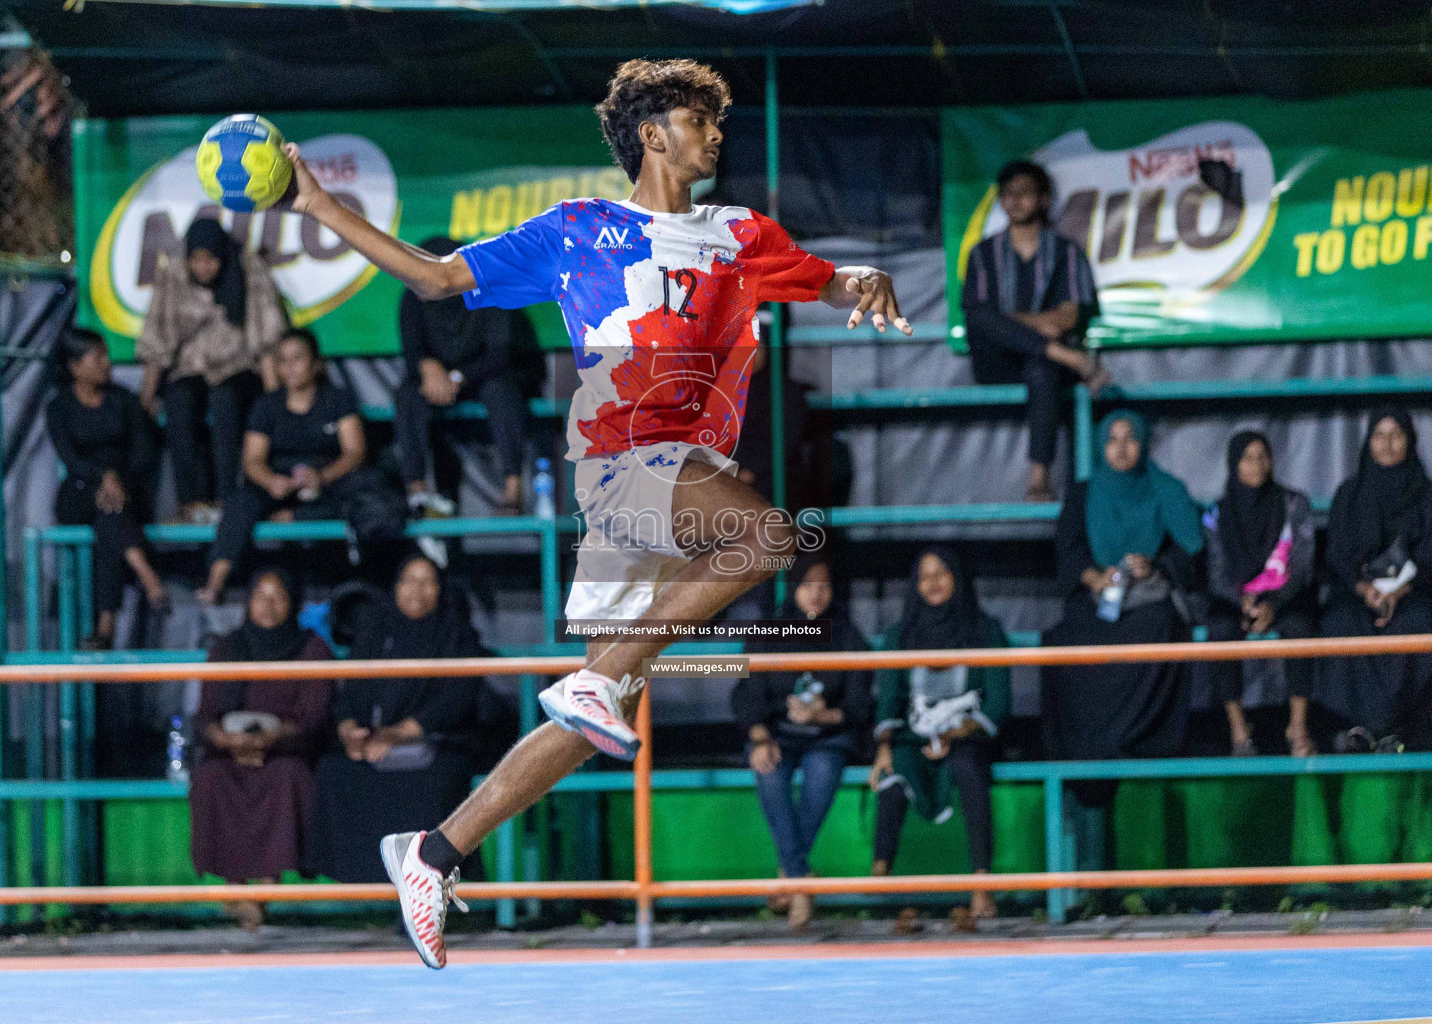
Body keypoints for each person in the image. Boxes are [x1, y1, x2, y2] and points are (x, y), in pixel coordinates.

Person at [277, 57, 913, 967]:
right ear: (655, 135)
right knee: (770, 535)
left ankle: (431, 852)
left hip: (684, 476)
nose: (717, 135)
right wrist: (321, 210)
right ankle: (592, 684)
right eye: (702, 122)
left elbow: (825, 280)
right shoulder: (580, 230)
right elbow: (434, 279)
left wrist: (864, 278)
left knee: (593, 716)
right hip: (625, 464)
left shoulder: (740, 232)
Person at [308, 554, 493, 883]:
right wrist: (351, 733)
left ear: (440, 589)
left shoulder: (456, 634)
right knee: (333, 772)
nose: (417, 590)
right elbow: (349, 695)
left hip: (439, 742)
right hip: (374, 744)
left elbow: (455, 702)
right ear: (395, 587)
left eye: (428, 582)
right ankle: (366, 886)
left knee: (438, 783)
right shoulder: (375, 630)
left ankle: (426, 883)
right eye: (409, 580)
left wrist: (397, 735)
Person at [1042, 411, 1202, 764]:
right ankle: (1086, 746)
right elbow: (1067, 551)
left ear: (1142, 444)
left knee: (1163, 626)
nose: (1121, 448)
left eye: (1130, 438)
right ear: (1102, 446)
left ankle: (1139, 740)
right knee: (1067, 635)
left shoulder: (1162, 488)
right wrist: (1093, 577)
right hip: (1099, 594)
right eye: (1112, 439)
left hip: (1146, 599)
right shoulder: (1085, 492)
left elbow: (1190, 549)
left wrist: (1154, 565)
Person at [731, 551, 873, 930]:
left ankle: (790, 876)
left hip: (827, 738)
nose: (816, 594)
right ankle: (800, 880)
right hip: (776, 736)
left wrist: (822, 715)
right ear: (793, 588)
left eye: (824, 586)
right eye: (808, 585)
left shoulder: (847, 636)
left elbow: (860, 706)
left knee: (823, 773)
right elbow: (745, 695)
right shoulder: (769, 632)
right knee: (770, 772)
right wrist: (760, 737)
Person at [868, 546, 1009, 922]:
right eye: (924, 576)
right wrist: (883, 750)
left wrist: (958, 731)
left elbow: (998, 702)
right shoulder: (899, 636)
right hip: (915, 737)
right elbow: (888, 703)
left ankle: (981, 886)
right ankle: (881, 877)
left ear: (957, 579)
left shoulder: (985, 631)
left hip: (967, 735)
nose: (932, 582)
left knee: (968, 766)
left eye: (941, 573)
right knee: (895, 766)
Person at [188, 568, 333, 928]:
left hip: (287, 749)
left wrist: (275, 737)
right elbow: (205, 715)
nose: (267, 606)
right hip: (230, 749)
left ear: (293, 604)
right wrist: (226, 740)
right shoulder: (227, 649)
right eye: (259, 596)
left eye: (277, 597)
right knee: (211, 777)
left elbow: (315, 717)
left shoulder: (312, 650)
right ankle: (234, 889)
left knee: (288, 777)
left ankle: (265, 891)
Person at [196, 329, 378, 605]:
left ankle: (298, 518)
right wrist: (271, 481)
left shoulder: (337, 399)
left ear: (315, 363)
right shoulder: (266, 406)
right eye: (283, 360)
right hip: (280, 485)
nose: (290, 366)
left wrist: (322, 477)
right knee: (240, 502)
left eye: (298, 358)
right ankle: (216, 581)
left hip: (327, 482)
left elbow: (355, 452)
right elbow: (252, 460)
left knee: (366, 491)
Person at [962, 161, 1108, 502]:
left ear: (1043, 199)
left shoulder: (1066, 252)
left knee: (1041, 364)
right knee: (981, 319)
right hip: (997, 364)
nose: (1016, 201)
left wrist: (1012, 320)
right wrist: (1038, 325)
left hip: (1044, 367)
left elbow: (1068, 318)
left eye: (1025, 193)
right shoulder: (983, 254)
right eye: (1008, 195)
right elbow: (980, 316)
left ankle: (1039, 479)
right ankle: (1071, 358)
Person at [1315, 409, 1432, 753]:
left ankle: (1383, 729)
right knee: (1341, 622)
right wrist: (1365, 590)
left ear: (1410, 441)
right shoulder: (1350, 493)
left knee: (1415, 624)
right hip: (1358, 593)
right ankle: (1369, 729)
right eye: (1379, 435)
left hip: (1415, 592)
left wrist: (1399, 592)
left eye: (1396, 435)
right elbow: (1337, 554)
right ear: (1368, 442)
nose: (1387, 444)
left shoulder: (1430, 495)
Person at [137, 218, 286, 524]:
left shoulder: (248, 271)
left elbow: (266, 339)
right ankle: (191, 502)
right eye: (197, 260)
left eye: (211, 260)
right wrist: (146, 399)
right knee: (179, 400)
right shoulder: (174, 275)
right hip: (190, 368)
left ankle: (226, 498)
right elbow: (159, 339)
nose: (204, 268)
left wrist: (275, 404)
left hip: (239, 369)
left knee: (225, 399)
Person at [395, 235, 539, 517]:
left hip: (488, 375)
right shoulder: (413, 297)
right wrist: (425, 365)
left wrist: (456, 378)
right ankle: (417, 492)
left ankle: (513, 487)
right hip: (442, 382)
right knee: (407, 394)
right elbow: (412, 350)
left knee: (500, 390)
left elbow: (500, 355)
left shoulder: (490, 290)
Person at [45, 327, 167, 649]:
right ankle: (145, 574)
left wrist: (117, 478)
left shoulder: (123, 401)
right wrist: (103, 476)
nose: (107, 363)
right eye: (97, 357)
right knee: (106, 508)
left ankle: (105, 628)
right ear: (75, 365)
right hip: (80, 490)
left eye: (106, 356)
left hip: (125, 489)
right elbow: (70, 458)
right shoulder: (59, 408)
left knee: (109, 515)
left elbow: (144, 452)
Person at [1202, 431, 1317, 756]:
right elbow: (1216, 571)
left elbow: (1302, 566)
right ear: (1234, 464)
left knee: (1300, 627)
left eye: (1263, 456)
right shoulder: (1217, 513)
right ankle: (1239, 729)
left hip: (1284, 597)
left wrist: (1273, 604)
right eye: (1248, 458)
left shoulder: (1293, 504)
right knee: (1220, 630)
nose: (1257, 465)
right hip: (1235, 600)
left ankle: (1298, 727)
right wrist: (1243, 602)